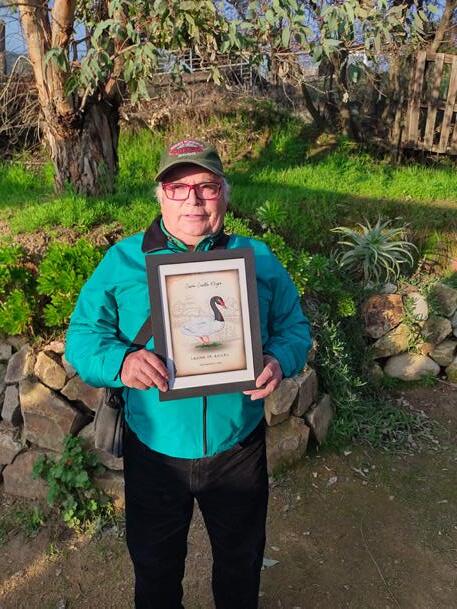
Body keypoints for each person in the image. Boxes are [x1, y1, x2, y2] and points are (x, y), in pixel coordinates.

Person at [65, 138, 312, 609]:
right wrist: (121, 363)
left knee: (240, 566)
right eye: (178, 188)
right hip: (154, 451)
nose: (193, 200)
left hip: (236, 446)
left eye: (206, 186)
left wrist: (280, 359)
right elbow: (81, 339)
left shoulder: (259, 259)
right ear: (160, 196)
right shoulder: (122, 261)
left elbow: (295, 328)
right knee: (155, 571)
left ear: (225, 194)